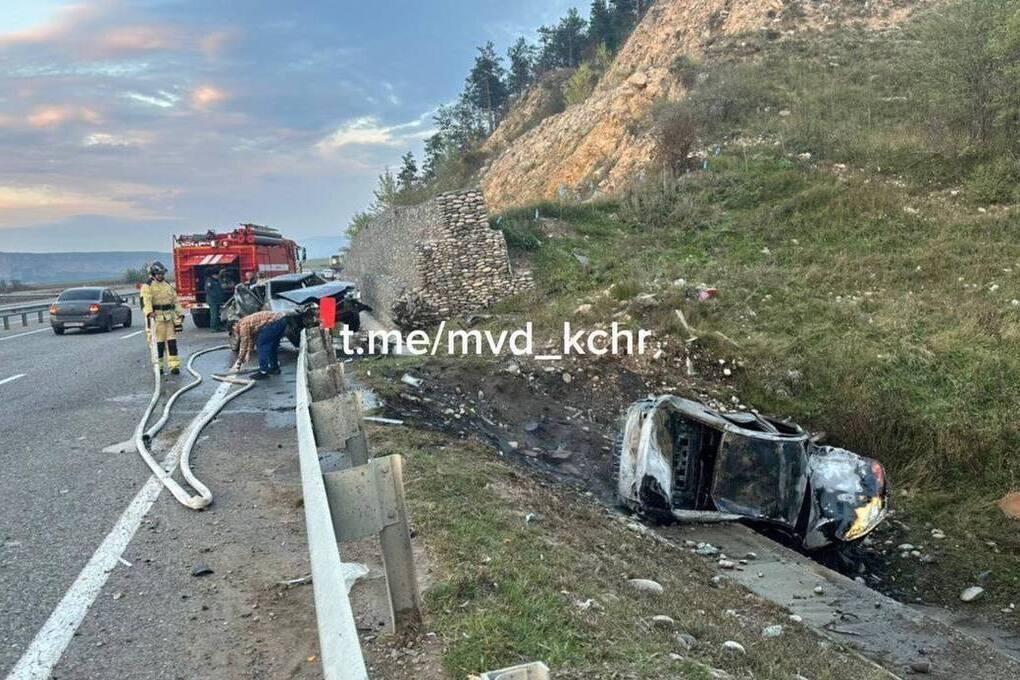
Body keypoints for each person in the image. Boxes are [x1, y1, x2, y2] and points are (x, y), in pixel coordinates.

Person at [141, 262, 183, 375]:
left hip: (168, 317)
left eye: (162, 273)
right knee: (158, 344)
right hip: (156, 319)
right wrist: (149, 313)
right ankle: (158, 367)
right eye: (158, 274)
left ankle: (174, 366)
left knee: (172, 342)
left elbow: (175, 301)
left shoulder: (167, 285)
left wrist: (180, 313)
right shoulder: (147, 286)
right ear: (153, 274)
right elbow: (146, 301)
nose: (160, 275)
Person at [234, 310, 289, 380]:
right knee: (272, 345)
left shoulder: (242, 325)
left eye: (234, 331)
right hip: (281, 320)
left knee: (261, 344)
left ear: (234, 326)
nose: (236, 334)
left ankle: (263, 371)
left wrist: (240, 360)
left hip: (274, 322)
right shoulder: (246, 322)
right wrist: (248, 352)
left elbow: (244, 343)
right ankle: (274, 368)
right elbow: (251, 339)